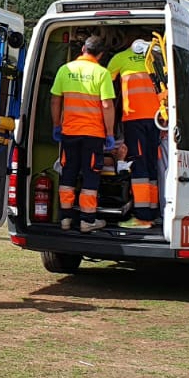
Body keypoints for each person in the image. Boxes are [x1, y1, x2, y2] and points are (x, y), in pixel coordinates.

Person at [50, 35, 120, 233]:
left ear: (83, 49)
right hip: (92, 135)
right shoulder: (101, 73)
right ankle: (87, 220)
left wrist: (57, 125)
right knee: (90, 176)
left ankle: (65, 218)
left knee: (68, 173)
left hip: (69, 133)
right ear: (100, 54)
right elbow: (107, 105)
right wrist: (109, 132)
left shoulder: (65, 70)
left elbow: (55, 101)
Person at [107, 37, 164, 227]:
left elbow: (105, 84)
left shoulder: (120, 58)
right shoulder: (157, 58)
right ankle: (152, 211)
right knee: (151, 164)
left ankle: (142, 216)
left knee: (138, 164)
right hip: (157, 119)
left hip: (134, 119)